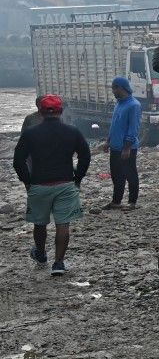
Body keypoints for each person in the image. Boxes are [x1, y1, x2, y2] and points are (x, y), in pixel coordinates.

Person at [13, 94, 91, 275]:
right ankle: (58, 263)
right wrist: (77, 178)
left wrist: (28, 181)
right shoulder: (72, 131)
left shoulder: (31, 133)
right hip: (65, 183)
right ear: (61, 111)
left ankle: (41, 255)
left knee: (39, 223)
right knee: (63, 224)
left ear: (40, 112)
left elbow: (18, 161)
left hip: (39, 184)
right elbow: (85, 156)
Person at [100, 76, 142, 211]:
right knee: (117, 175)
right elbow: (114, 125)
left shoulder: (134, 105)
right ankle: (116, 201)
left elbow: (133, 128)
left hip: (127, 148)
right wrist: (108, 141)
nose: (112, 91)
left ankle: (132, 202)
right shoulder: (119, 104)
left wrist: (127, 147)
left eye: (114, 88)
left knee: (130, 174)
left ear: (120, 88)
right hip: (116, 147)